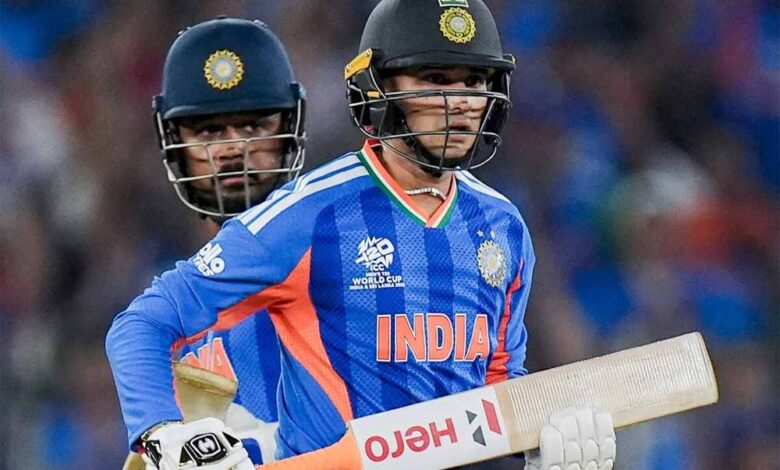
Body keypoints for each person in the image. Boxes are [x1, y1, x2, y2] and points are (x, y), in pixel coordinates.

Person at [107, 2, 616, 469]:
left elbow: (498, 386)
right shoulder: (309, 214)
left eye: (475, 81)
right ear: (379, 88)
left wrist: (537, 448)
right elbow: (145, 322)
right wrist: (161, 432)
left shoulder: (503, 225)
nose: (461, 102)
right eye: (436, 79)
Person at [109, 16, 306, 468]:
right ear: (173, 141)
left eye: (254, 126)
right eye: (209, 131)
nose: (233, 148)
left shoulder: (348, 250)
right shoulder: (167, 310)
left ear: (289, 125)